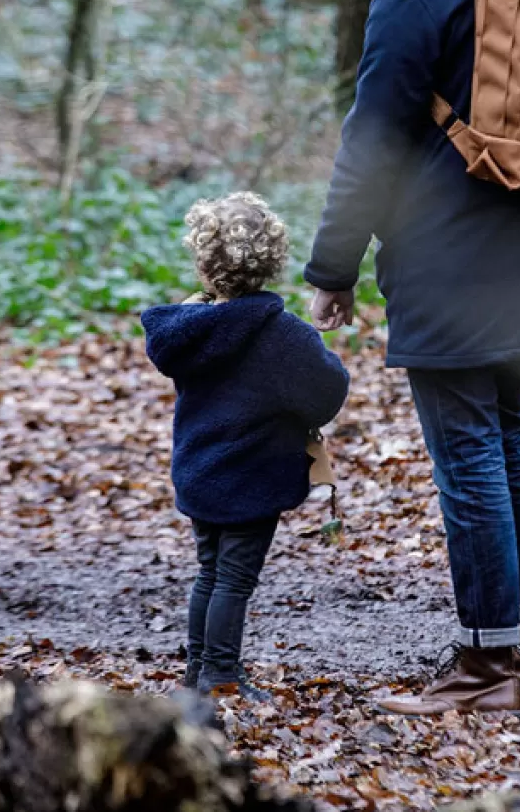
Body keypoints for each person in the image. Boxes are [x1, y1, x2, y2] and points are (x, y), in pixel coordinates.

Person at [306, 0, 520, 715]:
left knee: (468, 451)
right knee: (508, 435)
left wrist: (333, 268)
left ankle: (483, 666)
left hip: (449, 249)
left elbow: (374, 140)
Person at [142, 193, 350, 702]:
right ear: (272, 262)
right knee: (233, 578)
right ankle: (221, 674)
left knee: (209, 571)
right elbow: (327, 392)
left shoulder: (188, 329)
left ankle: (197, 671)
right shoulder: (283, 337)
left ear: (204, 263)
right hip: (252, 476)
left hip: (199, 469)